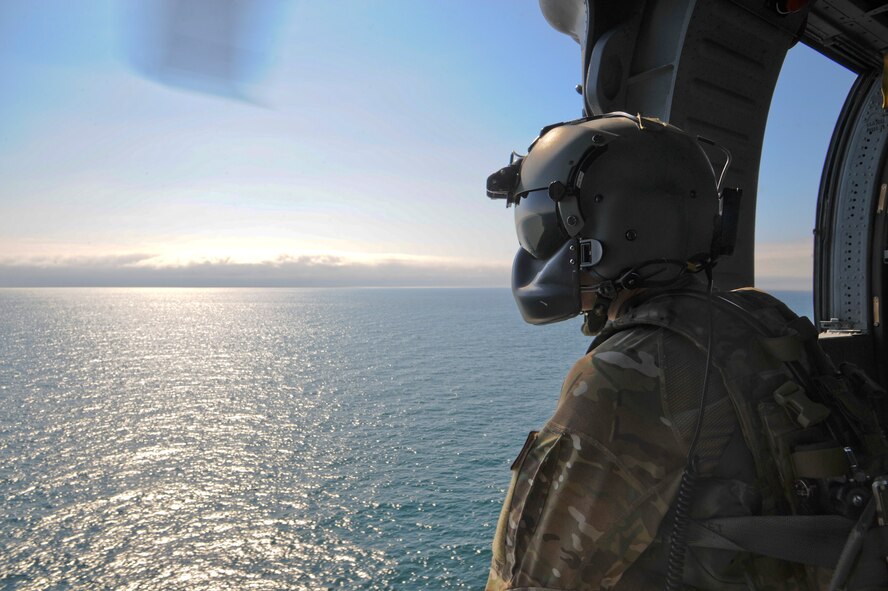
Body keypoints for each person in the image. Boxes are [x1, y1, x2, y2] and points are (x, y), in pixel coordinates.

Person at [482, 113, 888, 590]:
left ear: (603, 226)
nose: (540, 246)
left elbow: (530, 577)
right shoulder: (762, 314)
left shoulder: (623, 377)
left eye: (544, 228)